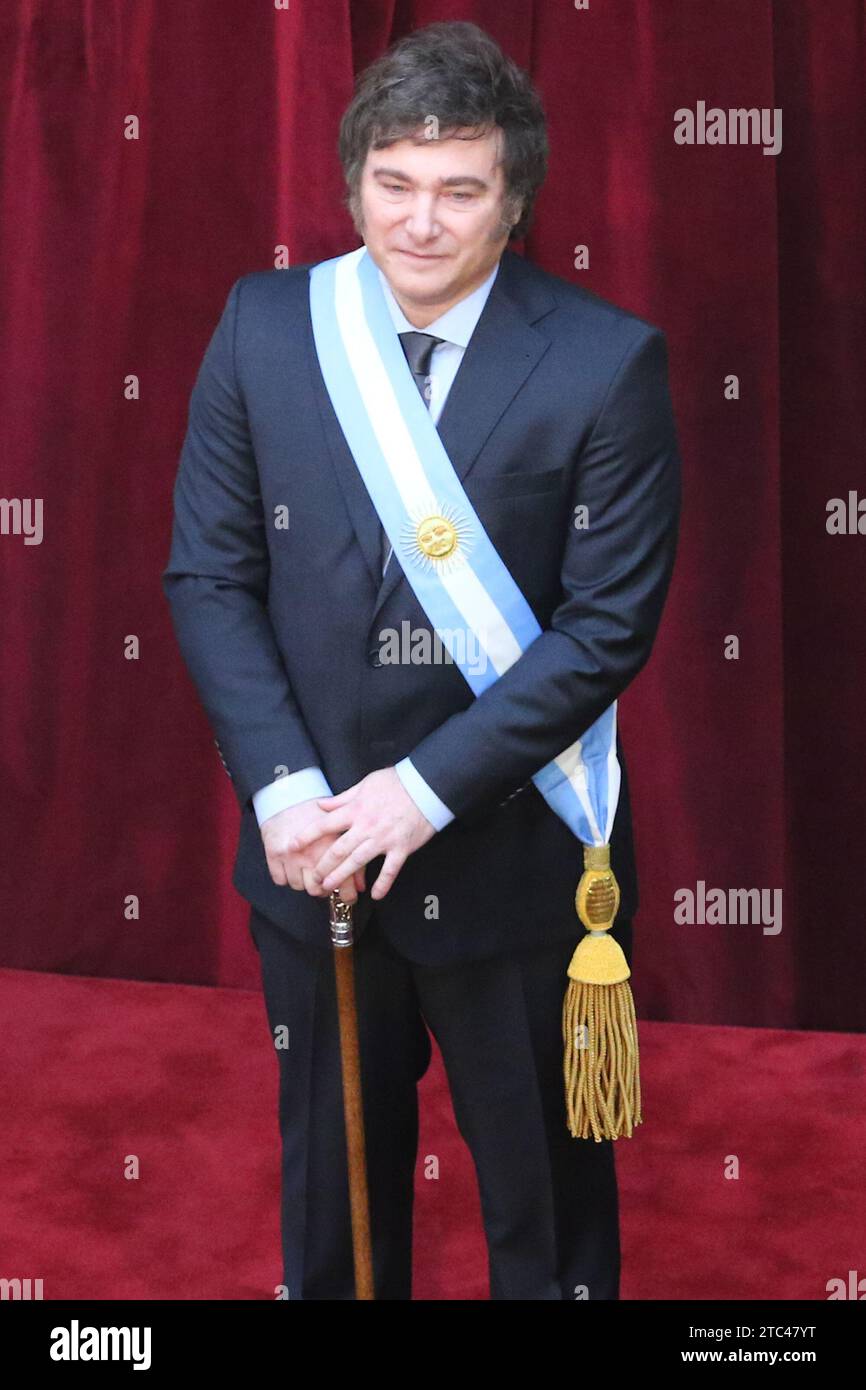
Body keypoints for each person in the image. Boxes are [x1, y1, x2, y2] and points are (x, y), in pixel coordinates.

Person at [162, 19, 681, 1300]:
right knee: (333, 1208)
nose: (420, 221)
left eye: (460, 189)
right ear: (353, 186)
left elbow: (604, 628)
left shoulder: (607, 361)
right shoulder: (267, 323)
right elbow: (210, 577)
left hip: (507, 856)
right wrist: (286, 791)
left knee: (542, 1217)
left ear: (514, 201)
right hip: (312, 846)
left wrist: (423, 788)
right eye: (393, 183)